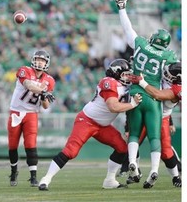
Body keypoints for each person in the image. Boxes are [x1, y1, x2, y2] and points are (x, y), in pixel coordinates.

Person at [38, 59, 142, 191]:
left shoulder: (125, 86)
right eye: (125, 74)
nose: (128, 77)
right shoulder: (108, 82)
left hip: (103, 126)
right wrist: (132, 104)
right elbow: (113, 106)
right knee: (71, 151)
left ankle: (110, 180)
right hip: (87, 121)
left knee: (122, 147)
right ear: (116, 73)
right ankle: (46, 179)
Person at [113, 0, 178, 188]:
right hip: (153, 97)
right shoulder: (168, 56)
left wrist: (122, 8)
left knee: (133, 133)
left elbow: (127, 28)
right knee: (155, 137)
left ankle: (132, 161)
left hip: (135, 94)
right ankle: (155, 170)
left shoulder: (140, 44)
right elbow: (175, 73)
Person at [127, 62, 182, 187]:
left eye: (168, 73)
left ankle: (175, 177)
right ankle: (135, 171)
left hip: (161, 118)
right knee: (133, 142)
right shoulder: (163, 78)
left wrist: (141, 82)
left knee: (166, 152)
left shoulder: (177, 89)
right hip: (150, 113)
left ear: (176, 77)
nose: (165, 73)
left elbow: (157, 95)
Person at [8, 50, 56, 187]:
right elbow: (28, 85)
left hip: (31, 113)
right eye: (38, 59)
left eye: (42, 60)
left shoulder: (49, 80)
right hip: (16, 111)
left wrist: (44, 97)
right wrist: (43, 91)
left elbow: (45, 106)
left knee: (30, 144)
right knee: (12, 145)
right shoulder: (25, 70)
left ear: (47, 63)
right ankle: (13, 171)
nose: (39, 62)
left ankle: (33, 176)